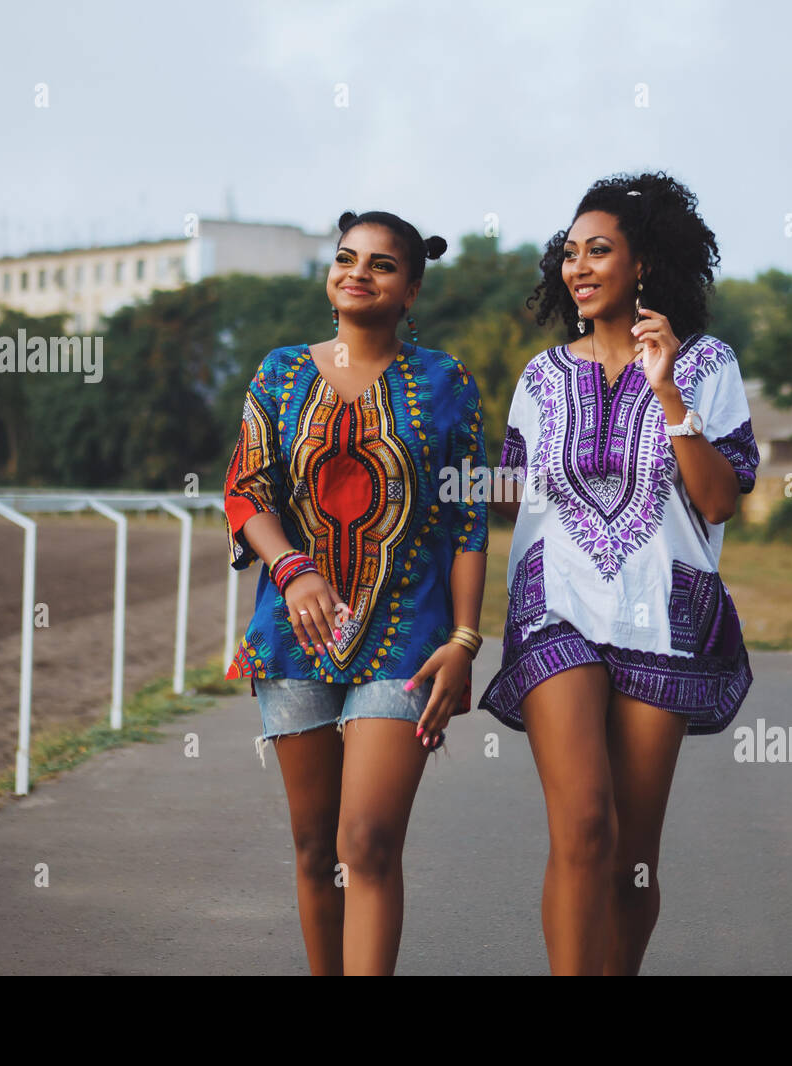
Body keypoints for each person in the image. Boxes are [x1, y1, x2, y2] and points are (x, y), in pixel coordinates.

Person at [480, 172, 758, 975]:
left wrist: (667, 391)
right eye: (569, 254)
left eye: (599, 251)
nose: (579, 267)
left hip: (660, 613)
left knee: (633, 859)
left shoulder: (707, 364)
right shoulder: (541, 377)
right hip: (555, 605)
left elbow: (717, 501)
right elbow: (512, 496)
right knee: (584, 827)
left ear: (644, 265)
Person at [222, 209, 488, 975]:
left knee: (365, 840)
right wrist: (291, 568)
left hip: (406, 638)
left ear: (411, 290)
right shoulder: (279, 372)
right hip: (295, 637)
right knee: (314, 848)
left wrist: (465, 642)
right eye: (346, 258)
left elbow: (468, 521)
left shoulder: (445, 381)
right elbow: (245, 491)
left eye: (381, 264)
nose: (357, 272)